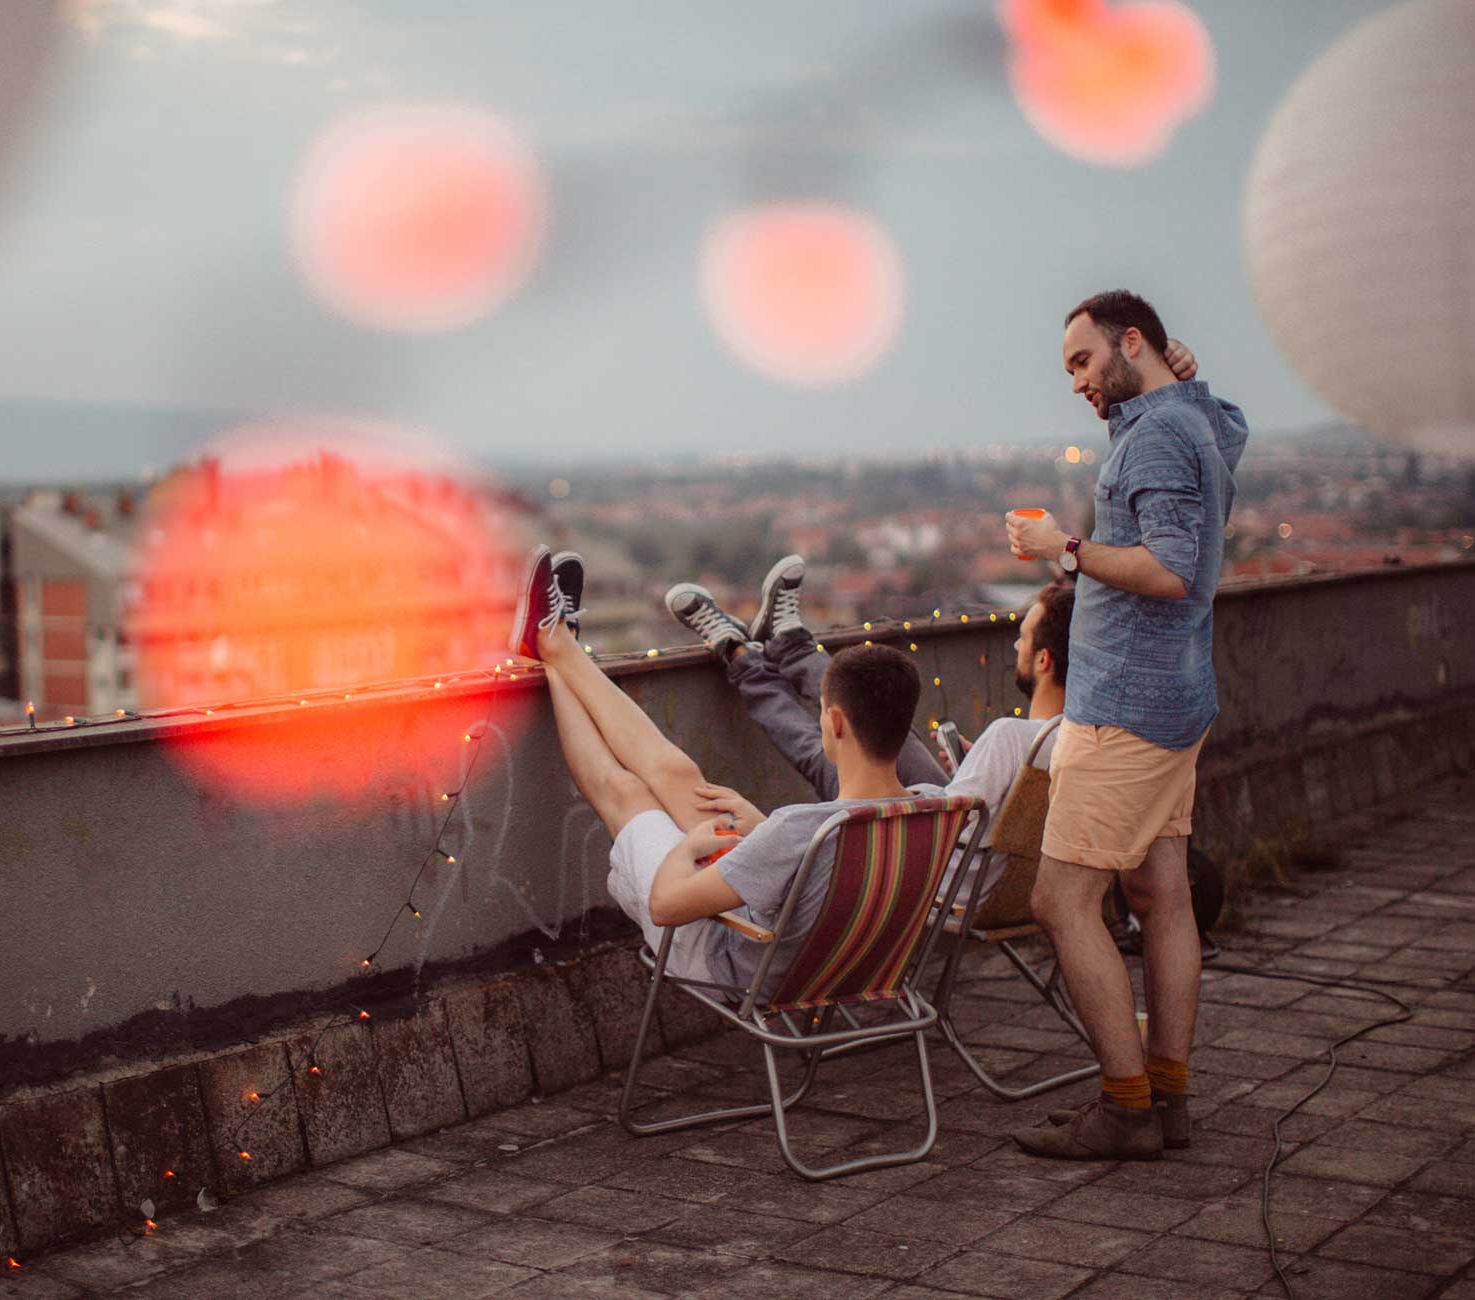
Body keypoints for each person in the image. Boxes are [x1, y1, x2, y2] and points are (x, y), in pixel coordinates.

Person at [1003, 289, 1249, 1161]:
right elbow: (1234, 431)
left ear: (1128, 341)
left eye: (1081, 360)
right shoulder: (1189, 418)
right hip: (1173, 698)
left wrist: (1060, 551)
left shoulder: (1154, 437)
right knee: (1160, 895)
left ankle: (1124, 1107)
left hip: (1125, 712)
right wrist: (1184, 372)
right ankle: (1168, 1097)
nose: (1075, 381)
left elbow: (1173, 571)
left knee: (1060, 901)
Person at [508, 545, 943, 993]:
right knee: (681, 778)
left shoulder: (803, 831)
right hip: (835, 961)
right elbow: (820, 877)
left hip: (732, 960)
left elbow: (666, 906)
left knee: (627, 793)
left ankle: (553, 645)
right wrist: (761, 832)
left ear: (834, 723)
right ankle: (560, 646)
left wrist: (687, 848)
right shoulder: (939, 807)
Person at [665, 564, 1077, 903]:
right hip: (990, 880)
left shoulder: (1009, 737)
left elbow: (948, 825)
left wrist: (884, 784)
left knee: (835, 751)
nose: (1014, 648)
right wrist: (976, 768)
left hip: (928, 869)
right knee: (886, 725)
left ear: (1042, 660)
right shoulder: (1079, 741)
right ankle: (789, 642)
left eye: (1021, 640)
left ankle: (737, 654)